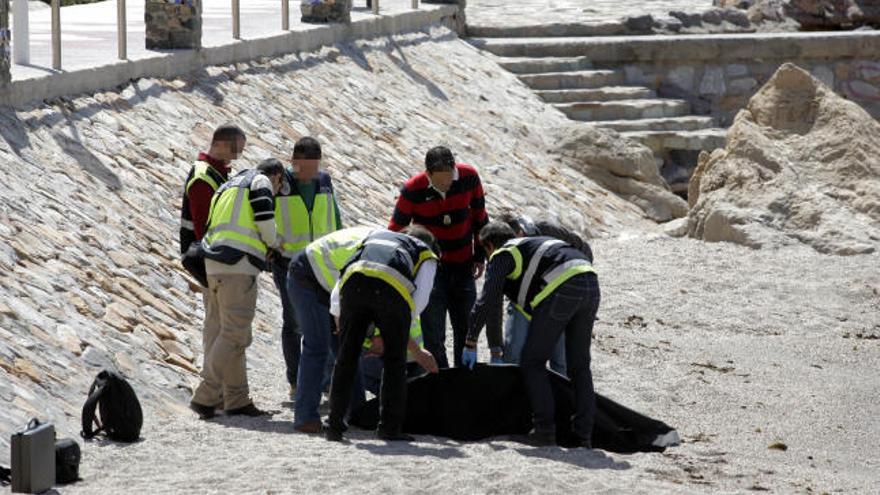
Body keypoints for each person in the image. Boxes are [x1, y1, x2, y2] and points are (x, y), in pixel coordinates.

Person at [463, 221, 600, 447]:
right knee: (579, 366)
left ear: (488, 246)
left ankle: (544, 431)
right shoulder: (535, 244)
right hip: (590, 282)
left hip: (562, 286)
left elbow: (487, 300)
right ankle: (583, 435)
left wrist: (470, 341)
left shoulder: (504, 253)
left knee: (532, 362)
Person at [189, 158, 285, 419]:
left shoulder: (228, 186)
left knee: (234, 335)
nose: (277, 190)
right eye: (280, 185)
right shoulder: (261, 181)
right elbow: (265, 221)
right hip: (239, 266)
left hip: (214, 265)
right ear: (276, 176)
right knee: (234, 333)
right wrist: (277, 242)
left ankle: (237, 399)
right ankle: (206, 395)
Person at [325, 227, 439, 442]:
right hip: (390, 292)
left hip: (353, 285)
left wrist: (340, 317)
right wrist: (395, 326)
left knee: (345, 360)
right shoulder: (425, 252)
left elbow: (338, 287)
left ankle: (334, 425)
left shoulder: (373, 237)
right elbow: (420, 299)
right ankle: (389, 428)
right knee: (394, 363)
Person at [389, 146, 490, 368]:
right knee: (433, 335)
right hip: (430, 272)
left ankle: (464, 385)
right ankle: (441, 385)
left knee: (467, 331)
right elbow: (396, 232)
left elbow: (481, 219)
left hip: (464, 268)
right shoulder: (412, 190)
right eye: (442, 180)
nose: (448, 184)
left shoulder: (469, 177)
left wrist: (479, 256)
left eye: (450, 178)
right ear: (428, 175)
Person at [178, 124, 246, 398]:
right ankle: (214, 391)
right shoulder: (204, 177)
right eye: (235, 149)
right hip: (211, 262)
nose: (237, 156)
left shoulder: (216, 173)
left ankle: (224, 390)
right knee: (218, 326)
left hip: (215, 262)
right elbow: (204, 228)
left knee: (220, 326)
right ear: (219, 144)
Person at [274, 137, 342, 400]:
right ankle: (295, 381)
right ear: (294, 161)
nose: (311, 174)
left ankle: (323, 381)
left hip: (323, 264)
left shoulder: (324, 181)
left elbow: (334, 216)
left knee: (326, 321)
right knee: (294, 323)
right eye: (306, 168)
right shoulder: (281, 184)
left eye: (315, 167)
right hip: (288, 263)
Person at [286, 226, 373, 433]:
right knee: (317, 347)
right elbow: (343, 288)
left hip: (326, 280)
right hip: (307, 278)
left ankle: (357, 412)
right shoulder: (379, 254)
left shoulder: (383, 247)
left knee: (347, 348)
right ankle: (305, 417)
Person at [497, 213, 596, 376]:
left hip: (559, 298)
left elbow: (583, 249)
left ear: (520, 232)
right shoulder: (504, 249)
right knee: (513, 354)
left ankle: (561, 395)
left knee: (560, 359)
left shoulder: (547, 230)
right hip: (522, 299)